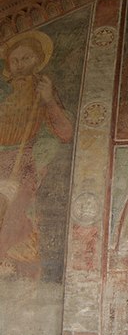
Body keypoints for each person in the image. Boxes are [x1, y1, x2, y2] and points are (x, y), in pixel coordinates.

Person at [0, 30, 73, 278]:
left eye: (27, 58)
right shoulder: (6, 102)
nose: (20, 65)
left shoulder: (42, 94)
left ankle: (10, 263)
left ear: (39, 60)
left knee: (15, 211)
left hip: (25, 166)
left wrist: (49, 100)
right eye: (15, 60)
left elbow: (65, 133)